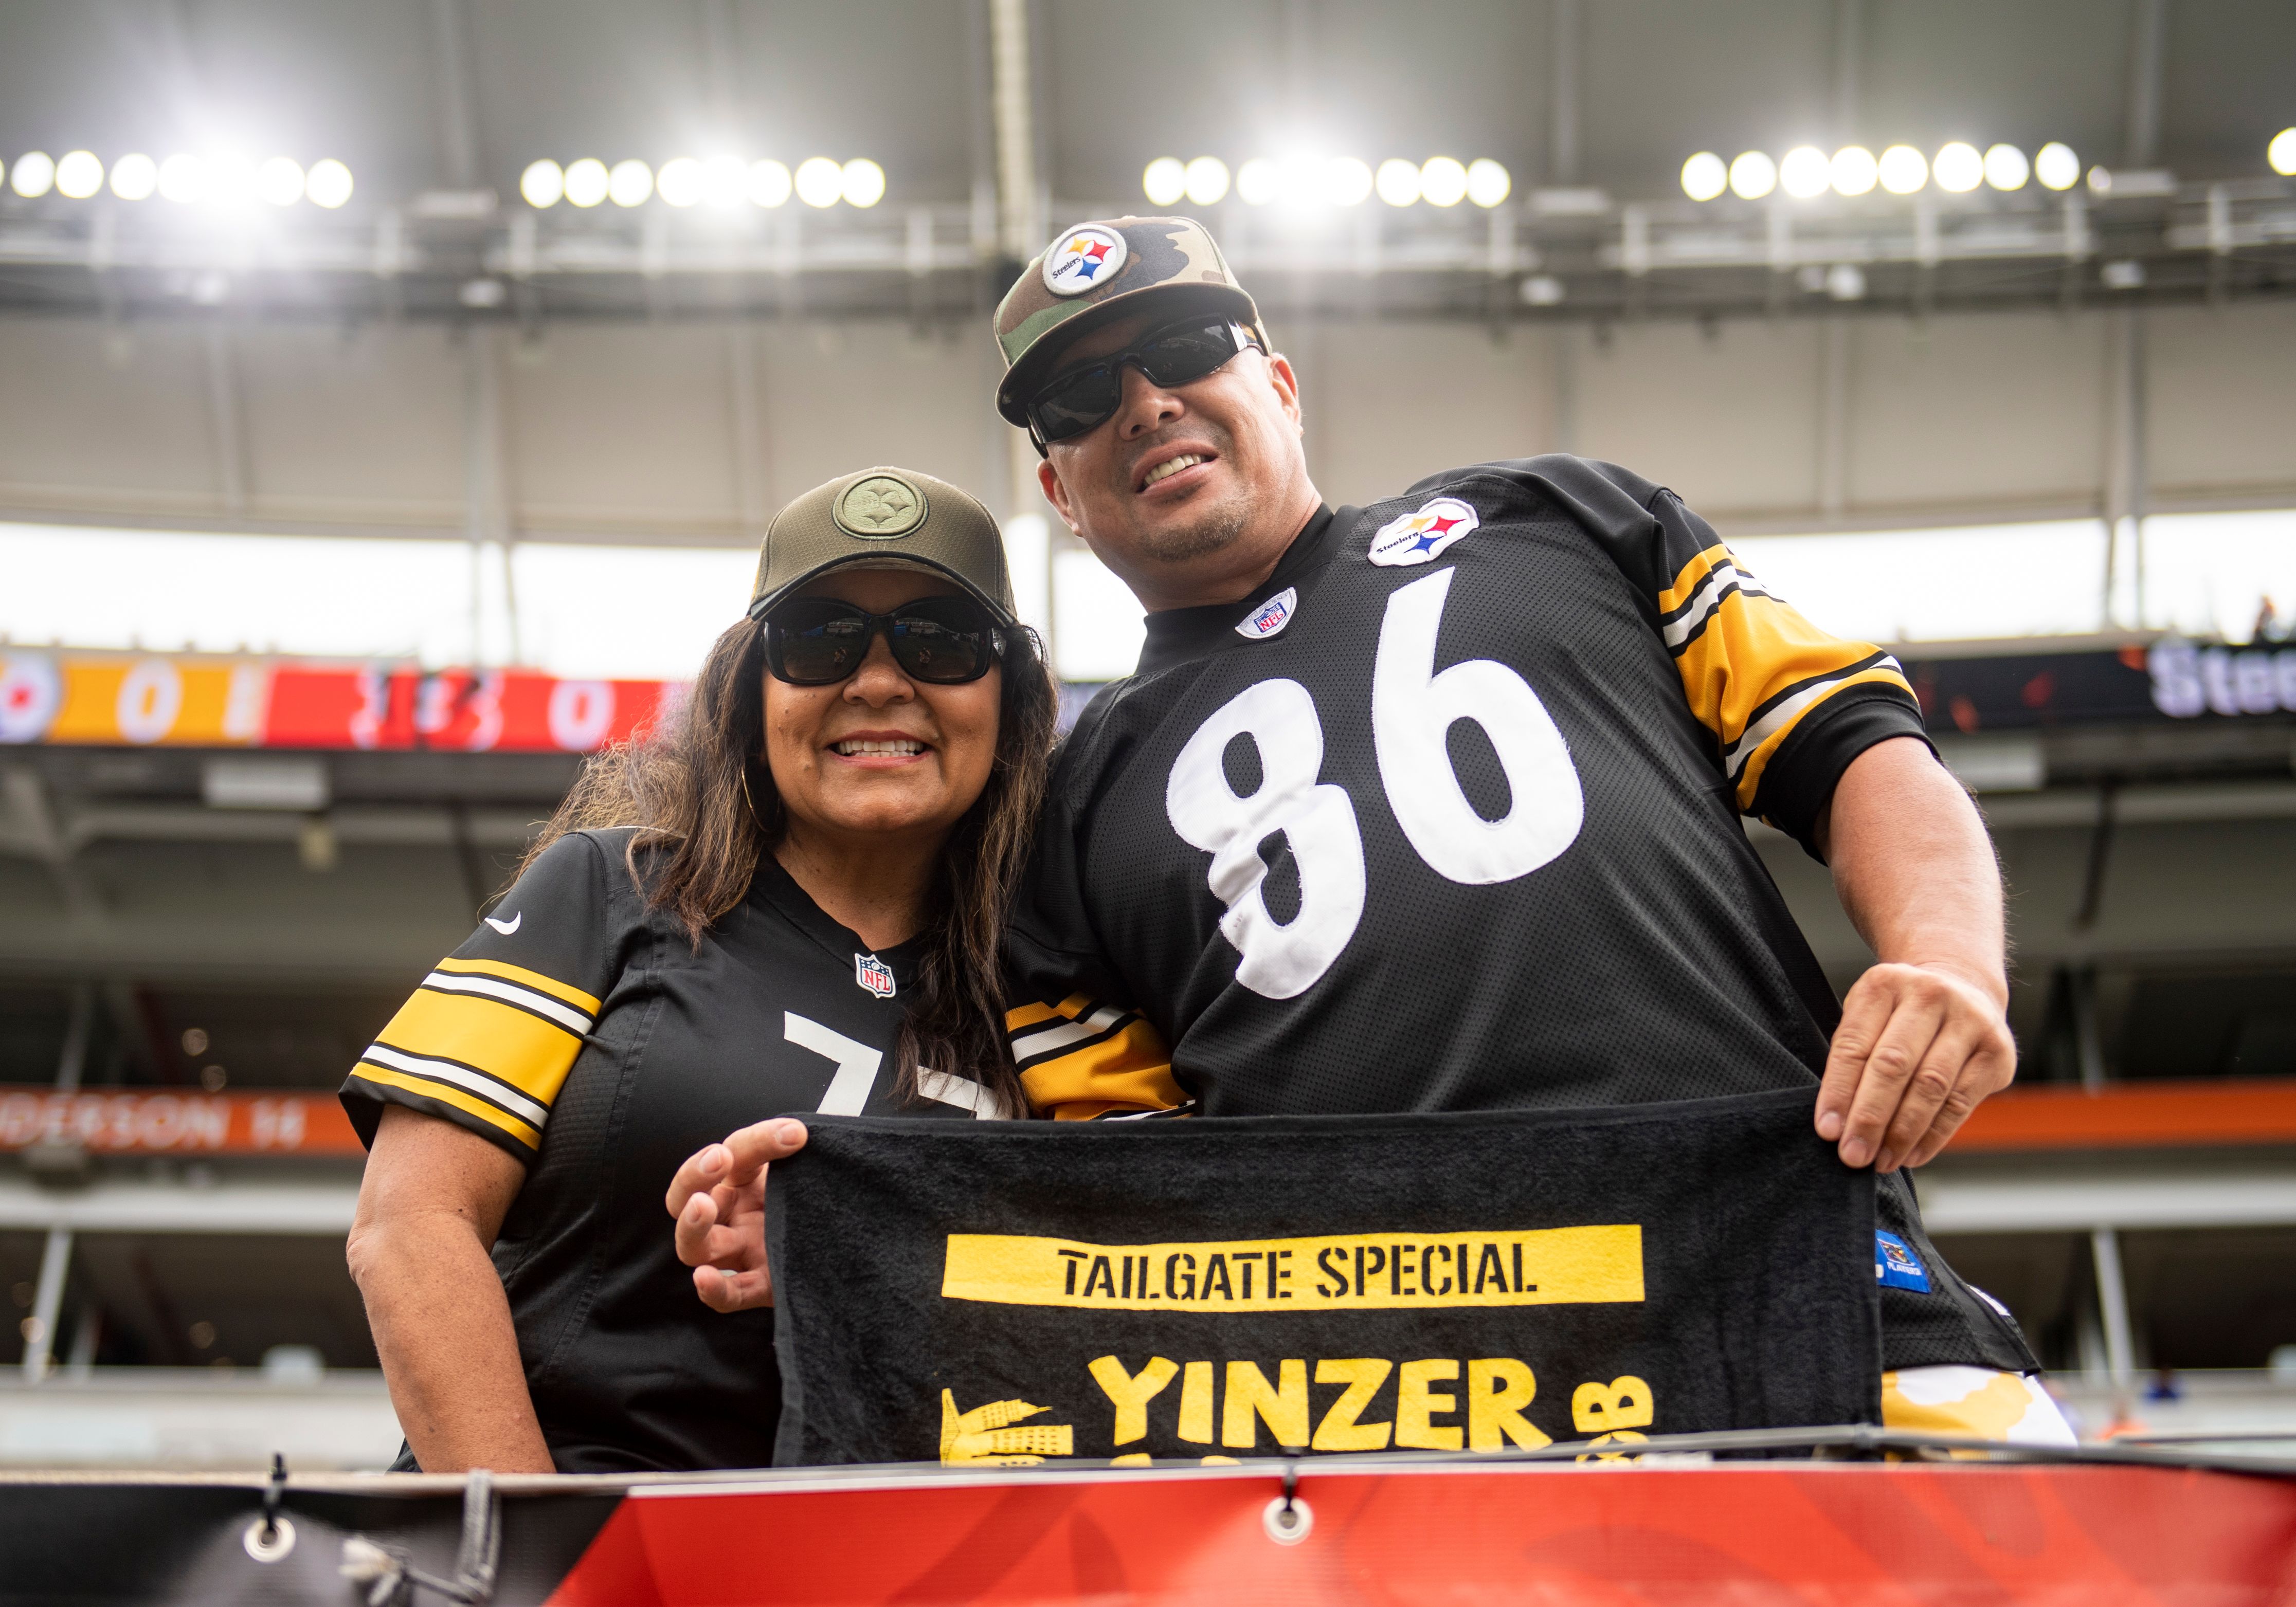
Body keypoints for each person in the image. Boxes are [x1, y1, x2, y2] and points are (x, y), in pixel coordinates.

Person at [677, 218, 2069, 1445]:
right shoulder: (1063, 811)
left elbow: (1850, 738)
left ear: (1277, 381)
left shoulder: (1570, 519)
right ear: (1057, 487)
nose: (1146, 402)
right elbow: (1129, 1215)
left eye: (1183, 347)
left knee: (2045, 1563)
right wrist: (836, 1216)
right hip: (1397, 1396)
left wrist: (1951, 961)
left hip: (1793, 1274)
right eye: (1080, 396)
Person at [342, 468, 1054, 1472]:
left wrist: (855, 1258)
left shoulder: (1054, 992)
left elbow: (1100, 1304)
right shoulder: (606, 890)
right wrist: (537, 1559)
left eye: (941, 639)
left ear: (1009, 698)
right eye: (819, 639)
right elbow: (411, 1225)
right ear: (749, 691)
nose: (882, 681)